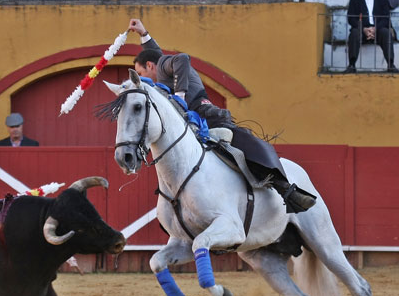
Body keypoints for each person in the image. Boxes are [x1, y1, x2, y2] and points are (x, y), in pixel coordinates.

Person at [127, 18, 317, 213]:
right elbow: (157, 54)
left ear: (150, 66)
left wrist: (180, 95)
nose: (141, 79)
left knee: (238, 142)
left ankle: (286, 189)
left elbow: (182, 58)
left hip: (205, 114)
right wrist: (143, 33)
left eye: (141, 73)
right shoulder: (162, 68)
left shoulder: (164, 66)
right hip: (190, 120)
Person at [346, 0, 397, 73]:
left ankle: (391, 65)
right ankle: (352, 65)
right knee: (354, 33)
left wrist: (375, 29)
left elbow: (386, 18)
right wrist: (364, 29)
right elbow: (351, 18)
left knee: (386, 33)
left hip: (378, 30)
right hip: (361, 30)